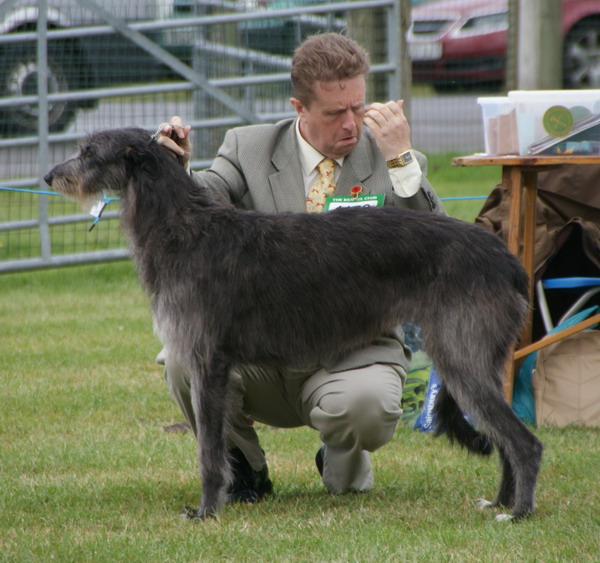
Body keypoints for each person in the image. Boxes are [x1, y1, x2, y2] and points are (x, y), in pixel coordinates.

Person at [155, 32, 445, 503]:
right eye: (335, 112)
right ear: (299, 107)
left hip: (354, 349)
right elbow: (201, 207)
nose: (352, 124)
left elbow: (437, 253)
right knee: (183, 359)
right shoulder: (247, 148)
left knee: (366, 408)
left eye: (359, 107)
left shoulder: (391, 156)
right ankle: (242, 470)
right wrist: (177, 169)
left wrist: (403, 160)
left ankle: (341, 454)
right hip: (261, 350)